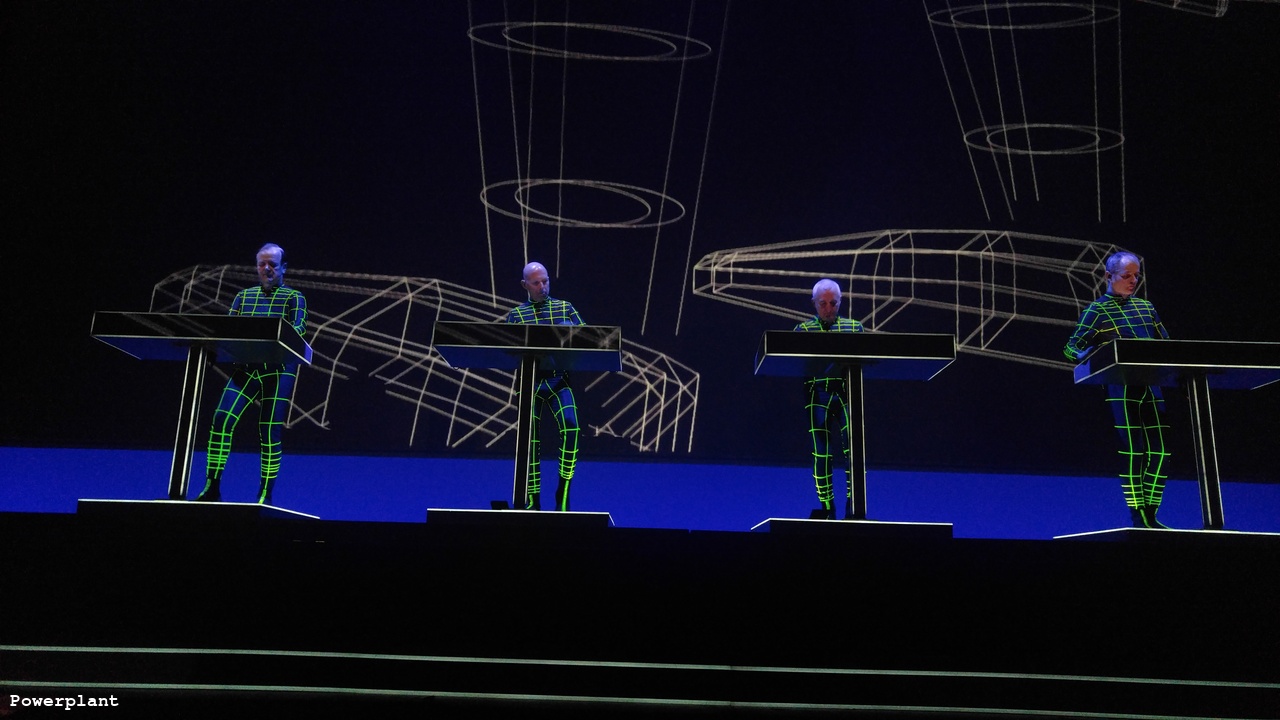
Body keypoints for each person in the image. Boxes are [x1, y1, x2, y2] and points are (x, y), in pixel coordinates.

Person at [193, 243, 308, 505]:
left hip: (278, 370)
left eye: (272, 265)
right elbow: (228, 329)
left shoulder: (294, 298)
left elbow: (298, 330)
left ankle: (265, 495)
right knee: (222, 420)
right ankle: (212, 487)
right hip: (247, 368)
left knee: (269, 431)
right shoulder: (243, 297)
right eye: (261, 264)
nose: (266, 269)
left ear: (283, 268)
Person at [1064, 251, 1171, 529]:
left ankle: (1151, 513)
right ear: (1108, 276)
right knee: (1133, 453)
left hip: (1152, 385)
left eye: (1136, 275)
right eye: (1126, 275)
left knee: (1160, 453)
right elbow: (1071, 347)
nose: (1133, 280)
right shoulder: (1096, 310)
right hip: (1121, 388)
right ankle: (1139, 516)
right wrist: (1086, 355)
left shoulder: (1146, 308)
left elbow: (1168, 345)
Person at [504, 261, 584, 511]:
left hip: (558, 379)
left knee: (572, 427)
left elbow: (588, 339)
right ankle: (533, 498)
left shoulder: (565, 308)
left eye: (545, 281)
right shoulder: (516, 315)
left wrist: (570, 333)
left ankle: (564, 491)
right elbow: (507, 349)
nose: (542, 287)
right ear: (525, 285)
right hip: (530, 382)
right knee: (529, 439)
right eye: (536, 282)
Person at [794, 279, 864, 520]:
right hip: (818, 392)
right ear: (814, 303)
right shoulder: (803, 330)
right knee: (821, 452)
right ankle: (826, 507)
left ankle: (854, 505)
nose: (828, 309)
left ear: (840, 302)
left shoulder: (854, 328)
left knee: (854, 450)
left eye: (833, 303)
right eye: (823, 304)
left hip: (847, 392)